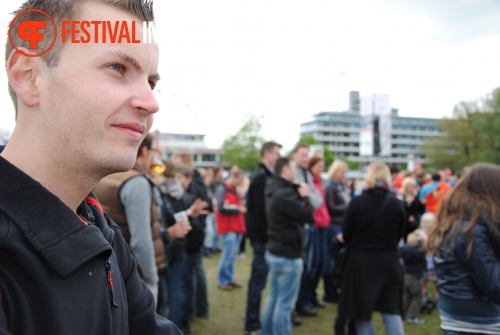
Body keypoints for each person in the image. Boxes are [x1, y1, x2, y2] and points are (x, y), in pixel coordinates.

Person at [0, 0, 181, 333]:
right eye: (117, 67)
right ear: (28, 77)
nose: (150, 102)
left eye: (150, 82)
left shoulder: (99, 228)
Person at [94, 134, 166, 310]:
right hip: (135, 271)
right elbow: (141, 240)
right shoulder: (137, 183)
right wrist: (152, 277)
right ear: (145, 150)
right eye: (153, 152)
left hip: (113, 266)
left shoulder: (109, 174)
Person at [428, 163, 500, 335]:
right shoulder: (472, 230)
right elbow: (494, 284)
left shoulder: (455, 220)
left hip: (457, 311)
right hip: (476, 317)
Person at [338, 162, 406, 335]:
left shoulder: (358, 202)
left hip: (362, 263)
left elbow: (346, 233)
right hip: (388, 262)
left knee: (362, 310)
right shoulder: (397, 204)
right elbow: (399, 235)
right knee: (391, 310)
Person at [262, 158, 315, 335]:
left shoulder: (273, 188)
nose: (296, 172)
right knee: (284, 304)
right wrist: (305, 196)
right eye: (293, 168)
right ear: (285, 169)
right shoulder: (284, 193)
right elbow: (307, 215)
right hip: (287, 254)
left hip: (276, 250)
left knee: (274, 298)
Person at [244, 141, 281, 335]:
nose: (278, 157)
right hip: (262, 238)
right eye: (276, 153)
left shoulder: (268, 176)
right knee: (258, 282)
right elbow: (258, 213)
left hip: (266, 237)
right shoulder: (260, 178)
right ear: (266, 154)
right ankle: (251, 324)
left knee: (264, 282)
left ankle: (258, 322)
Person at [295, 156, 330, 315]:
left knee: (318, 264)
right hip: (313, 225)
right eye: (319, 166)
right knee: (310, 265)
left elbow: (319, 202)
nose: (321, 169)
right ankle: (304, 300)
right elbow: (314, 202)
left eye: (323, 166)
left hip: (322, 224)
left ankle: (310, 296)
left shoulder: (318, 182)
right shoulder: (309, 182)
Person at [214, 169, 247, 290]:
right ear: (235, 177)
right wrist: (238, 209)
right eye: (240, 181)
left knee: (231, 256)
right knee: (227, 255)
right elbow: (221, 208)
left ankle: (229, 279)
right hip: (228, 228)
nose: (240, 184)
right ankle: (222, 281)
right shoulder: (222, 190)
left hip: (235, 227)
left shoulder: (232, 191)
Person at [400, 230, 428, 325]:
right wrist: (420, 241)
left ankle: (403, 313)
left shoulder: (404, 249)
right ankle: (412, 315)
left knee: (405, 295)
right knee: (417, 296)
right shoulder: (417, 252)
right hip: (414, 276)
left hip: (405, 274)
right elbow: (423, 251)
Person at [397, 176, 425, 241]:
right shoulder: (401, 196)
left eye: (412, 186)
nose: (410, 188)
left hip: (414, 220)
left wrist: (422, 203)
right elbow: (399, 208)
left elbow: (420, 209)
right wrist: (406, 203)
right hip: (404, 220)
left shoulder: (416, 195)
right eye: (408, 186)